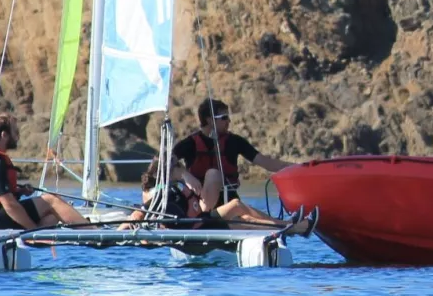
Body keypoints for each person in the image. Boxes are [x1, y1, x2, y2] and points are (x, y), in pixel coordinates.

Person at [0, 112, 86, 232]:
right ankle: (93, 233)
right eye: (15, 131)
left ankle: (39, 240)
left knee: (53, 215)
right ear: (4, 135)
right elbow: (10, 205)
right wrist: (32, 229)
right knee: (51, 200)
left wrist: (20, 191)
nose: (18, 136)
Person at [133, 156, 316, 235]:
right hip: (196, 229)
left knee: (236, 204)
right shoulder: (154, 191)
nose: (182, 168)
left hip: (201, 220)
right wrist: (183, 175)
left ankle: (290, 225)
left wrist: (182, 176)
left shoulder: (174, 183)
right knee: (245, 220)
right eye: (178, 167)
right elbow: (141, 212)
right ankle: (294, 227)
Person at [173, 99, 297, 213]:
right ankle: (203, 217)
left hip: (229, 202)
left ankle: (291, 226)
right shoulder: (190, 144)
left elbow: (266, 162)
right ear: (210, 120)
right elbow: (163, 162)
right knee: (212, 173)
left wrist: (300, 167)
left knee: (250, 216)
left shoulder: (235, 142)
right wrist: (185, 174)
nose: (229, 121)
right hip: (198, 205)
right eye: (224, 117)